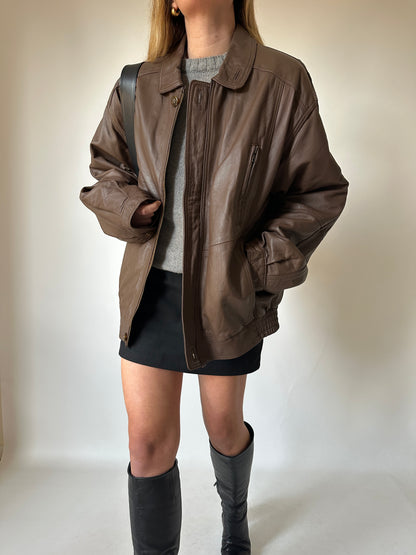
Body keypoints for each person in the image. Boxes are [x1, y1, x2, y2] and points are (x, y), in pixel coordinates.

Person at [79, 0, 349, 553]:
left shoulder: (281, 80)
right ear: (172, 5)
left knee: (223, 427)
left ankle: (235, 519)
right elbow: (106, 168)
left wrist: (254, 267)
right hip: (152, 290)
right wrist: (136, 209)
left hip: (227, 292)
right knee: (146, 444)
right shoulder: (138, 83)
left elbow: (320, 191)